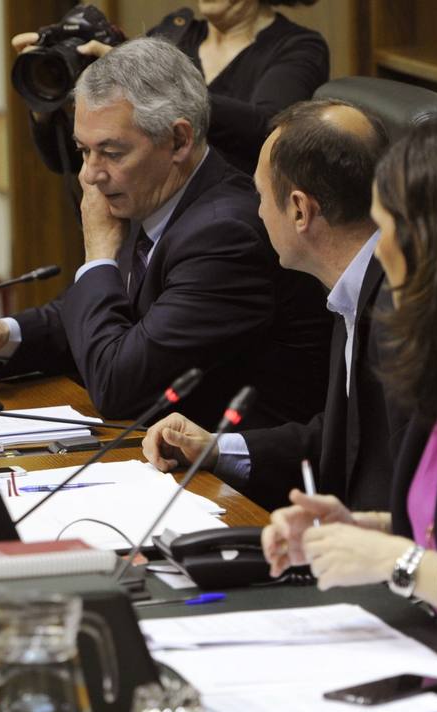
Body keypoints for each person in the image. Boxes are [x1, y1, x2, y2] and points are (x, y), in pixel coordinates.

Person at [0, 37, 331, 430]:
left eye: (111, 153)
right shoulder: (157, 193)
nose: (90, 175)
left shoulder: (225, 235)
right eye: (83, 151)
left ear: (178, 140)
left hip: (239, 481)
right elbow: (105, 312)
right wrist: (5, 334)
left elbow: (117, 386)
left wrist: (98, 256)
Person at [263, 113, 437, 657]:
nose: (381, 249)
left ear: (434, 244)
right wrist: (361, 529)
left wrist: (392, 562)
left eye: (388, 229)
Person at [142, 99, 396, 510]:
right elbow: (347, 438)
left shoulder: (401, 313)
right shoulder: (355, 288)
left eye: (260, 195)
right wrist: (217, 449)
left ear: (300, 210)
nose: (257, 211)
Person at [18, 0, 328, 175]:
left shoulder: (298, 46)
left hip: (239, 230)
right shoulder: (173, 35)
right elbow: (70, 163)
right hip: (154, 231)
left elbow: (268, 128)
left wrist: (146, 80)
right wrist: (46, 100)